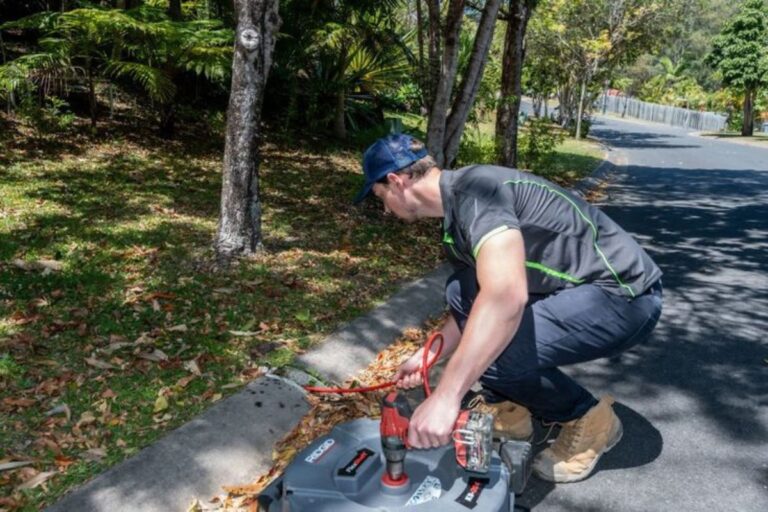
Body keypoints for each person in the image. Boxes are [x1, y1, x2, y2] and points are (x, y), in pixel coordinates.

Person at [353, 133, 663, 483]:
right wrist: (427, 356)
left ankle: (589, 418)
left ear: (396, 182)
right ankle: (511, 408)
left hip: (626, 296)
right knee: (462, 288)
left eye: (380, 197)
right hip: (581, 289)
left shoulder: (476, 193)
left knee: (496, 352)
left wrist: (446, 396)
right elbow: (474, 305)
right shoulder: (458, 212)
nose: (384, 209)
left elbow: (504, 299)